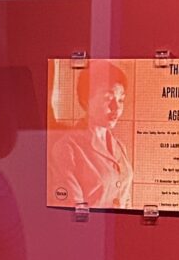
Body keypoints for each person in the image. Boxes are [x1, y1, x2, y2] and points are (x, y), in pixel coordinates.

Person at [49, 61, 134, 209]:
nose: (116, 107)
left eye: (121, 99)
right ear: (86, 100)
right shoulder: (66, 148)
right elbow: (72, 210)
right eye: (108, 98)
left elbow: (125, 200)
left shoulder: (120, 147)